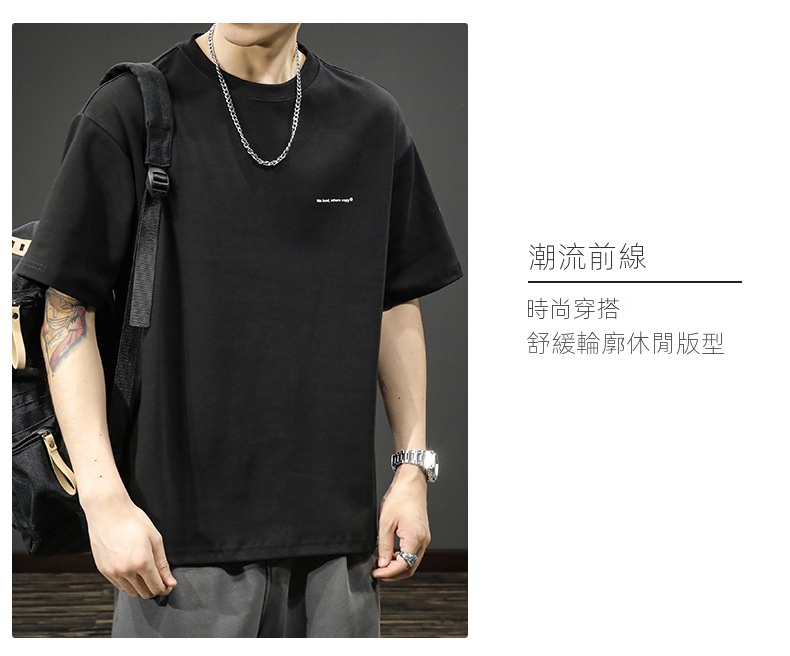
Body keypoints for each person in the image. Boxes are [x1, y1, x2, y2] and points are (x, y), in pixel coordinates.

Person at [17, 23, 462, 638]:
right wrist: (102, 498)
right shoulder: (131, 109)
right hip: (177, 546)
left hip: (338, 544)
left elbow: (394, 300)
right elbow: (67, 308)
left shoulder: (370, 119)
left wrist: (413, 469)